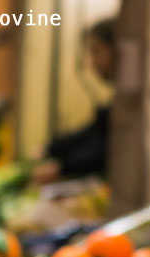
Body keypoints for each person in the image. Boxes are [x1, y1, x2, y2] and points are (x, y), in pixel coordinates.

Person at [35, 19, 117, 182]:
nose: (92, 64)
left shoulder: (133, 106)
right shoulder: (122, 103)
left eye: (95, 51)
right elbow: (97, 130)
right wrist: (52, 149)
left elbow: (105, 146)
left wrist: (63, 166)